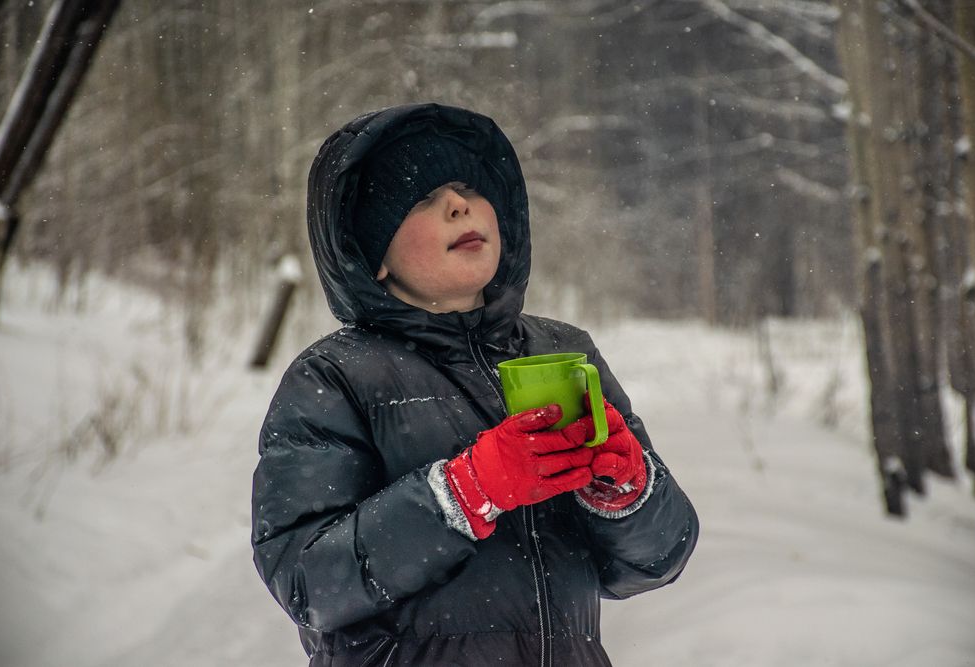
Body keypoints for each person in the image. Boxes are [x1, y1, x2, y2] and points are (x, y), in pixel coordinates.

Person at [251, 102, 699, 667]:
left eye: (466, 186)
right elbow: (307, 582)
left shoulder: (564, 352)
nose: (459, 204)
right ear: (374, 257)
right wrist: (463, 492)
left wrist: (627, 493)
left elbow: (657, 560)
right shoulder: (335, 377)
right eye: (421, 198)